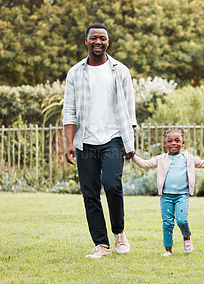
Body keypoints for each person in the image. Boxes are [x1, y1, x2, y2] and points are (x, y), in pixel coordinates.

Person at [63, 23, 137, 258]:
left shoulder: (120, 70)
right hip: (85, 141)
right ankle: (101, 244)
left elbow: (129, 108)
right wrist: (69, 143)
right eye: (93, 38)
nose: (98, 42)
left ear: (108, 42)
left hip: (113, 138)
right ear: (86, 41)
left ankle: (119, 232)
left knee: (113, 184)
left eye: (102, 38)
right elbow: (69, 110)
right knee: (90, 192)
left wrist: (129, 139)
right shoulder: (75, 72)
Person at [132, 129, 204, 256]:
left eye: (177, 140)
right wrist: (133, 156)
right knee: (167, 223)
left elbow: (203, 163)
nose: (173, 143)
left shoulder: (188, 158)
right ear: (165, 143)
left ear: (183, 142)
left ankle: (186, 237)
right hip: (166, 197)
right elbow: (145, 164)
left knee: (181, 220)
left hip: (181, 196)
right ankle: (168, 250)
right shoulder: (161, 159)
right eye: (170, 141)